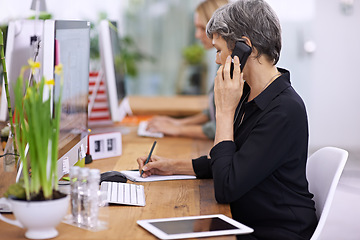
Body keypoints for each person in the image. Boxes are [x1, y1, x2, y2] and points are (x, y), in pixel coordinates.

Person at [138, 0, 318, 239]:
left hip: (275, 231)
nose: (216, 60)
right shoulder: (249, 93)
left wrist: (224, 111)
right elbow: (230, 161)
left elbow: (226, 187)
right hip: (246, 219)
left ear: (245, 48)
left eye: (219, 50)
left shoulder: (284, 109)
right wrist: (172, 166)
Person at [146, 0, 228, 140]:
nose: (197, 35)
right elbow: (213, 111)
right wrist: (177, 122)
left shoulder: (232, 66)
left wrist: (178, 129)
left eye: (202, 28)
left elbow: (222, 126)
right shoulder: (220, 62)